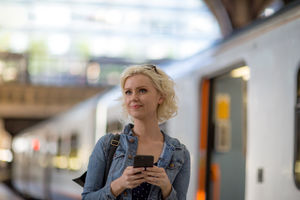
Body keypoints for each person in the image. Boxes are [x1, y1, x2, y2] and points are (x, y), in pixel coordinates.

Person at [82, 64, 190, 200]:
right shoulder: (107, 144)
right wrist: (119, 184)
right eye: (128, 92)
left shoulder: (180, 153)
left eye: (142, 90)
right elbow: (87, 197)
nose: (133, 97)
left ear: (160, 97)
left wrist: (167, 189)